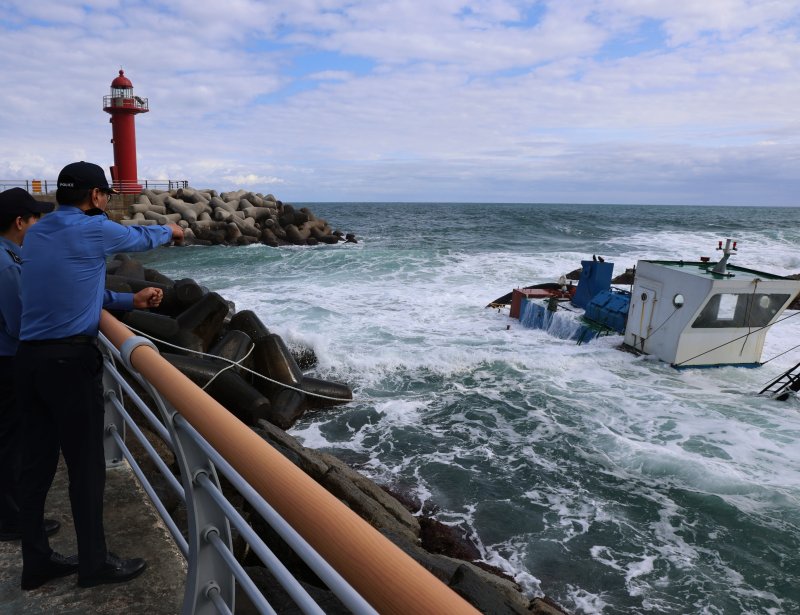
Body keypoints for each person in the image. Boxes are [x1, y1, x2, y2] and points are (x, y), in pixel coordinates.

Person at [15, 161, 184, 591]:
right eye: (106, 195)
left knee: (35, 467)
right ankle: (93, 563)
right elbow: (141, 236)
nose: (106, 201)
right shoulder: (94, 228)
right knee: (85, 469)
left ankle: (35, 562)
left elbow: (75, 284)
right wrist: (175, 231)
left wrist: (130, 299)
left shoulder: (37, 233)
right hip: (69, 365)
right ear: (96, 196)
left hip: (28, 360)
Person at [0, 188, 61, 542]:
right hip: (7, 363)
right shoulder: (8, 265)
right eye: (35, 218)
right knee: (10, 441)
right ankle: (12, 519)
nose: (39, 223)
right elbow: (19, 323)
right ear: (20, 223)